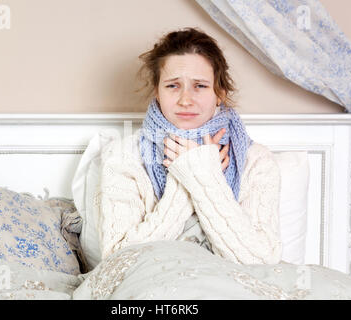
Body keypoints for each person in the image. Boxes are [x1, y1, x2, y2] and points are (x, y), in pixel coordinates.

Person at [95, 27, 282, 265]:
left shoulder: (256, 160)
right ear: (157, 92)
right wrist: (191, 172)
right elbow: (118, 262)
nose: (185, 99)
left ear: (220, 93)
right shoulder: (124, 157)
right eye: (173, 85)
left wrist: (206, 176)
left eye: (200, 86)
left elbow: (260, 260)